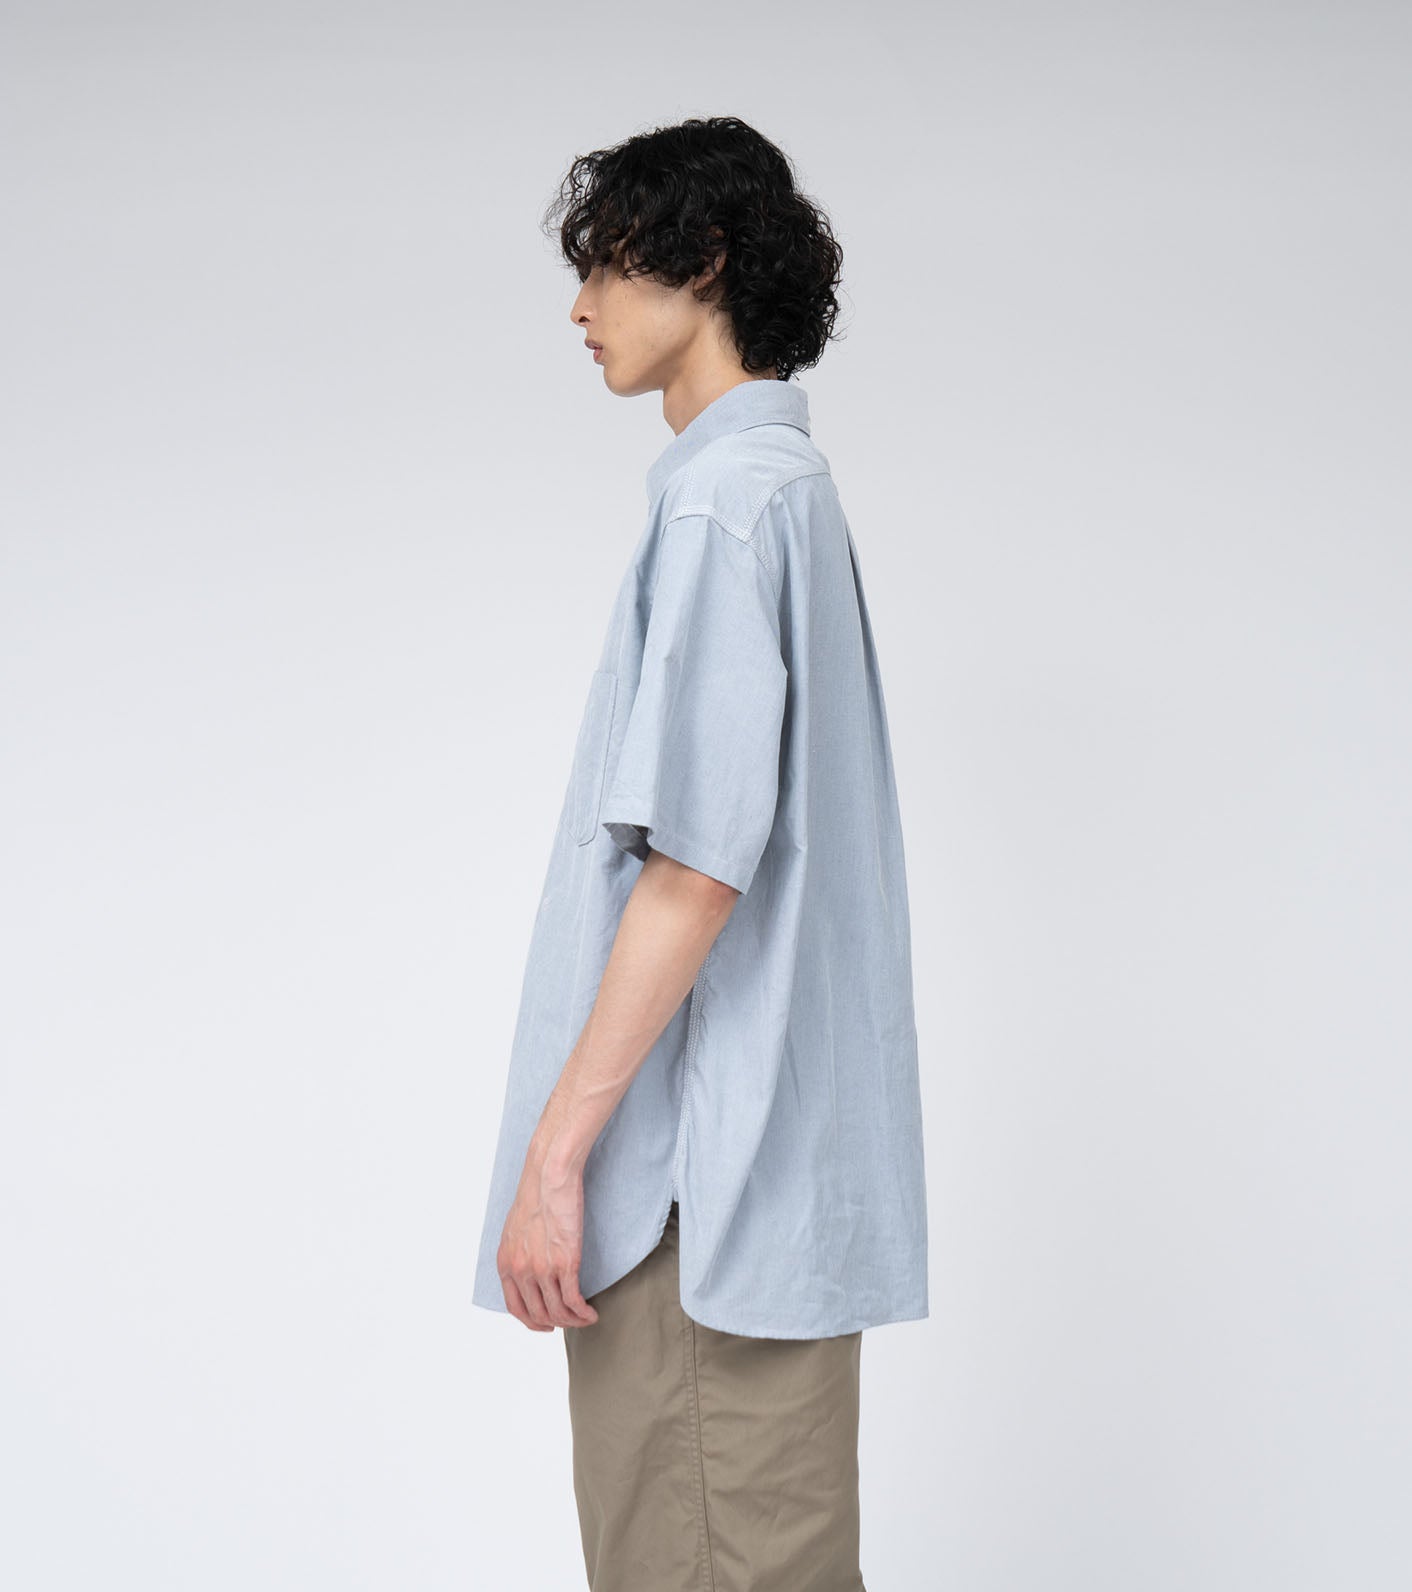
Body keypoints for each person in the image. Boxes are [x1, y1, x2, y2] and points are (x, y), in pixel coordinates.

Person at [471, 115, 928, 1592]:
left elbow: (696, 869)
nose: (580, 308)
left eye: (606, 265)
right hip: (759, 1186)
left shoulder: (727, 510)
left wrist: (555, 1159)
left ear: (706, 261)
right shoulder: (784, 496)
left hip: (693, 1198)